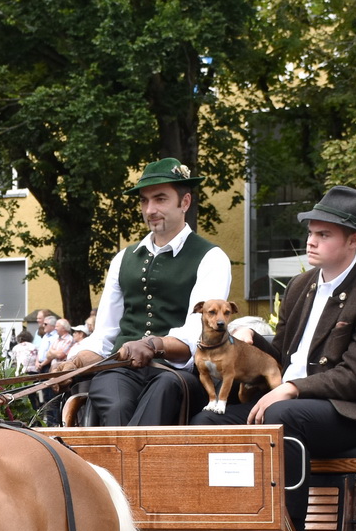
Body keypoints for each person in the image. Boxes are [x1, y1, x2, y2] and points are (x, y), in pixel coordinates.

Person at [190, 185, 356, 529]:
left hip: (343, 414)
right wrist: (248, 340)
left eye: (324, 234)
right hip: (283, 401)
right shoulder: (300, 285)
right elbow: (282, 356)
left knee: (282, 414)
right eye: (310, 232)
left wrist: (292, 389)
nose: (311, 241)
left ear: (353, 241)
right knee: (205, 422)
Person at [61, 158, 234, 426]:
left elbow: (196, 337)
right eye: (144, 200)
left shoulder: (211, 258)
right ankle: (131, 463)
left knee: (163, 389)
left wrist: (153, 345)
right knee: (112, 396)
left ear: (184, 202)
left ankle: (127, 464)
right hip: (122, 370)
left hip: (178, 373)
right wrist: (74, 362)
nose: (150, 209)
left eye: (161, 199)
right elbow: (105, 336)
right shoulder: (122, 259)